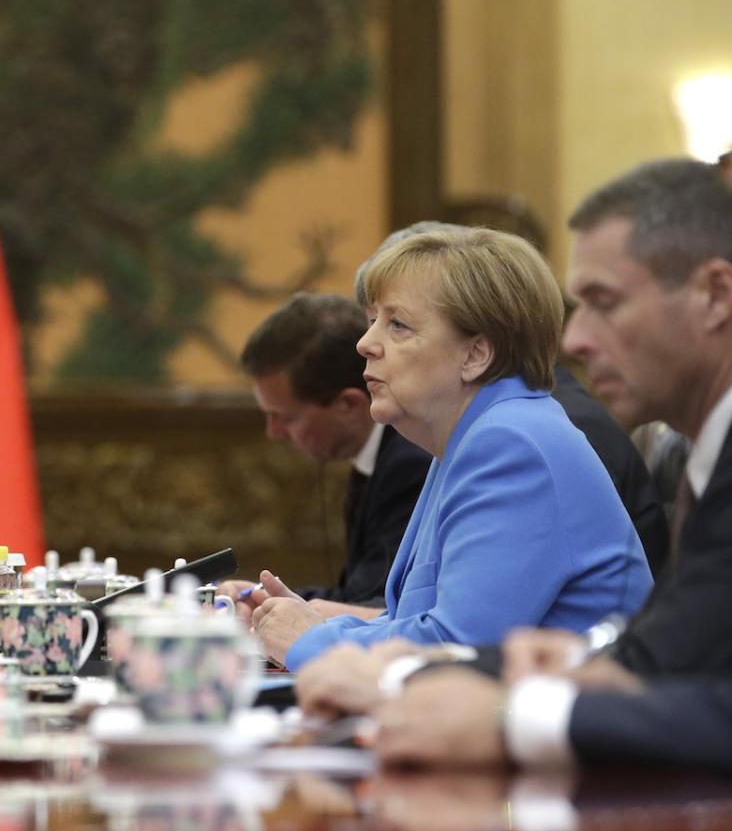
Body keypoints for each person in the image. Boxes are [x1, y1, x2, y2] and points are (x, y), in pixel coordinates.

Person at [353, 157, 732, 770]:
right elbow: (672, 651)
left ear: (714, 295)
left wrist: (513, 716)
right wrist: (578, 661)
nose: (576, 340)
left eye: (603, 302)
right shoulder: (709, 451)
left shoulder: (514, 439)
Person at [254, 227, 652, 670]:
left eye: (397, 325)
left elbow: (457, 646)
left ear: (475, 354)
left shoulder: (512, 444)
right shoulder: (473, 436)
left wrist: (311, 641)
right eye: (372, 322)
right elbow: (424, 623)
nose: (365, 344)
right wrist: (313, 625)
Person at [233, 293, 431, 610]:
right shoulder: (379, 456)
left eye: (285, 417)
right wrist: (263, 597)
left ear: (349, 405)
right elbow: (357, 592)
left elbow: (375, 604)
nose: (274, 433)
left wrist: (266, 605)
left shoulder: (410, 463)